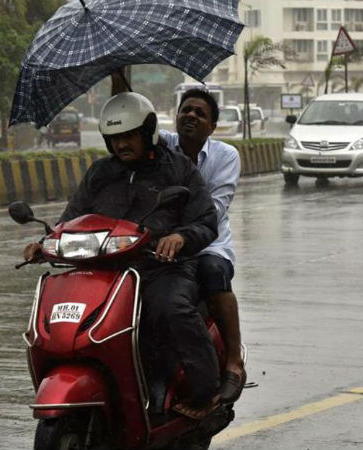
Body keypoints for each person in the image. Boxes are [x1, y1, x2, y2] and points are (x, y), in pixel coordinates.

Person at [22, 91, 221, 419]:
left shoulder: (178, 170)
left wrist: (179, 237)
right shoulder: (101, 173)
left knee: (172, 309)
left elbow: (205, 220)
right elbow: (71, 219)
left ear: (147, 132)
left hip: (160, 268)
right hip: (102, 271)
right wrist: (44, 244)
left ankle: (204, 391)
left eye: (129, 136)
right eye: (114, 138)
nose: (122, 144)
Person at [158, 89, 247, 411]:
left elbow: (216, 209)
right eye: (186, 110)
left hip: (208, 241)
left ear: (212, 126)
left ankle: (234, 361)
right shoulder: (163, 145)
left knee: (213, 272)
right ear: (176, 116)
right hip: (161, 242)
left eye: (200, 113)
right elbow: (133, 128)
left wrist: (184, 234)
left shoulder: (226, 156)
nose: (191, 116)